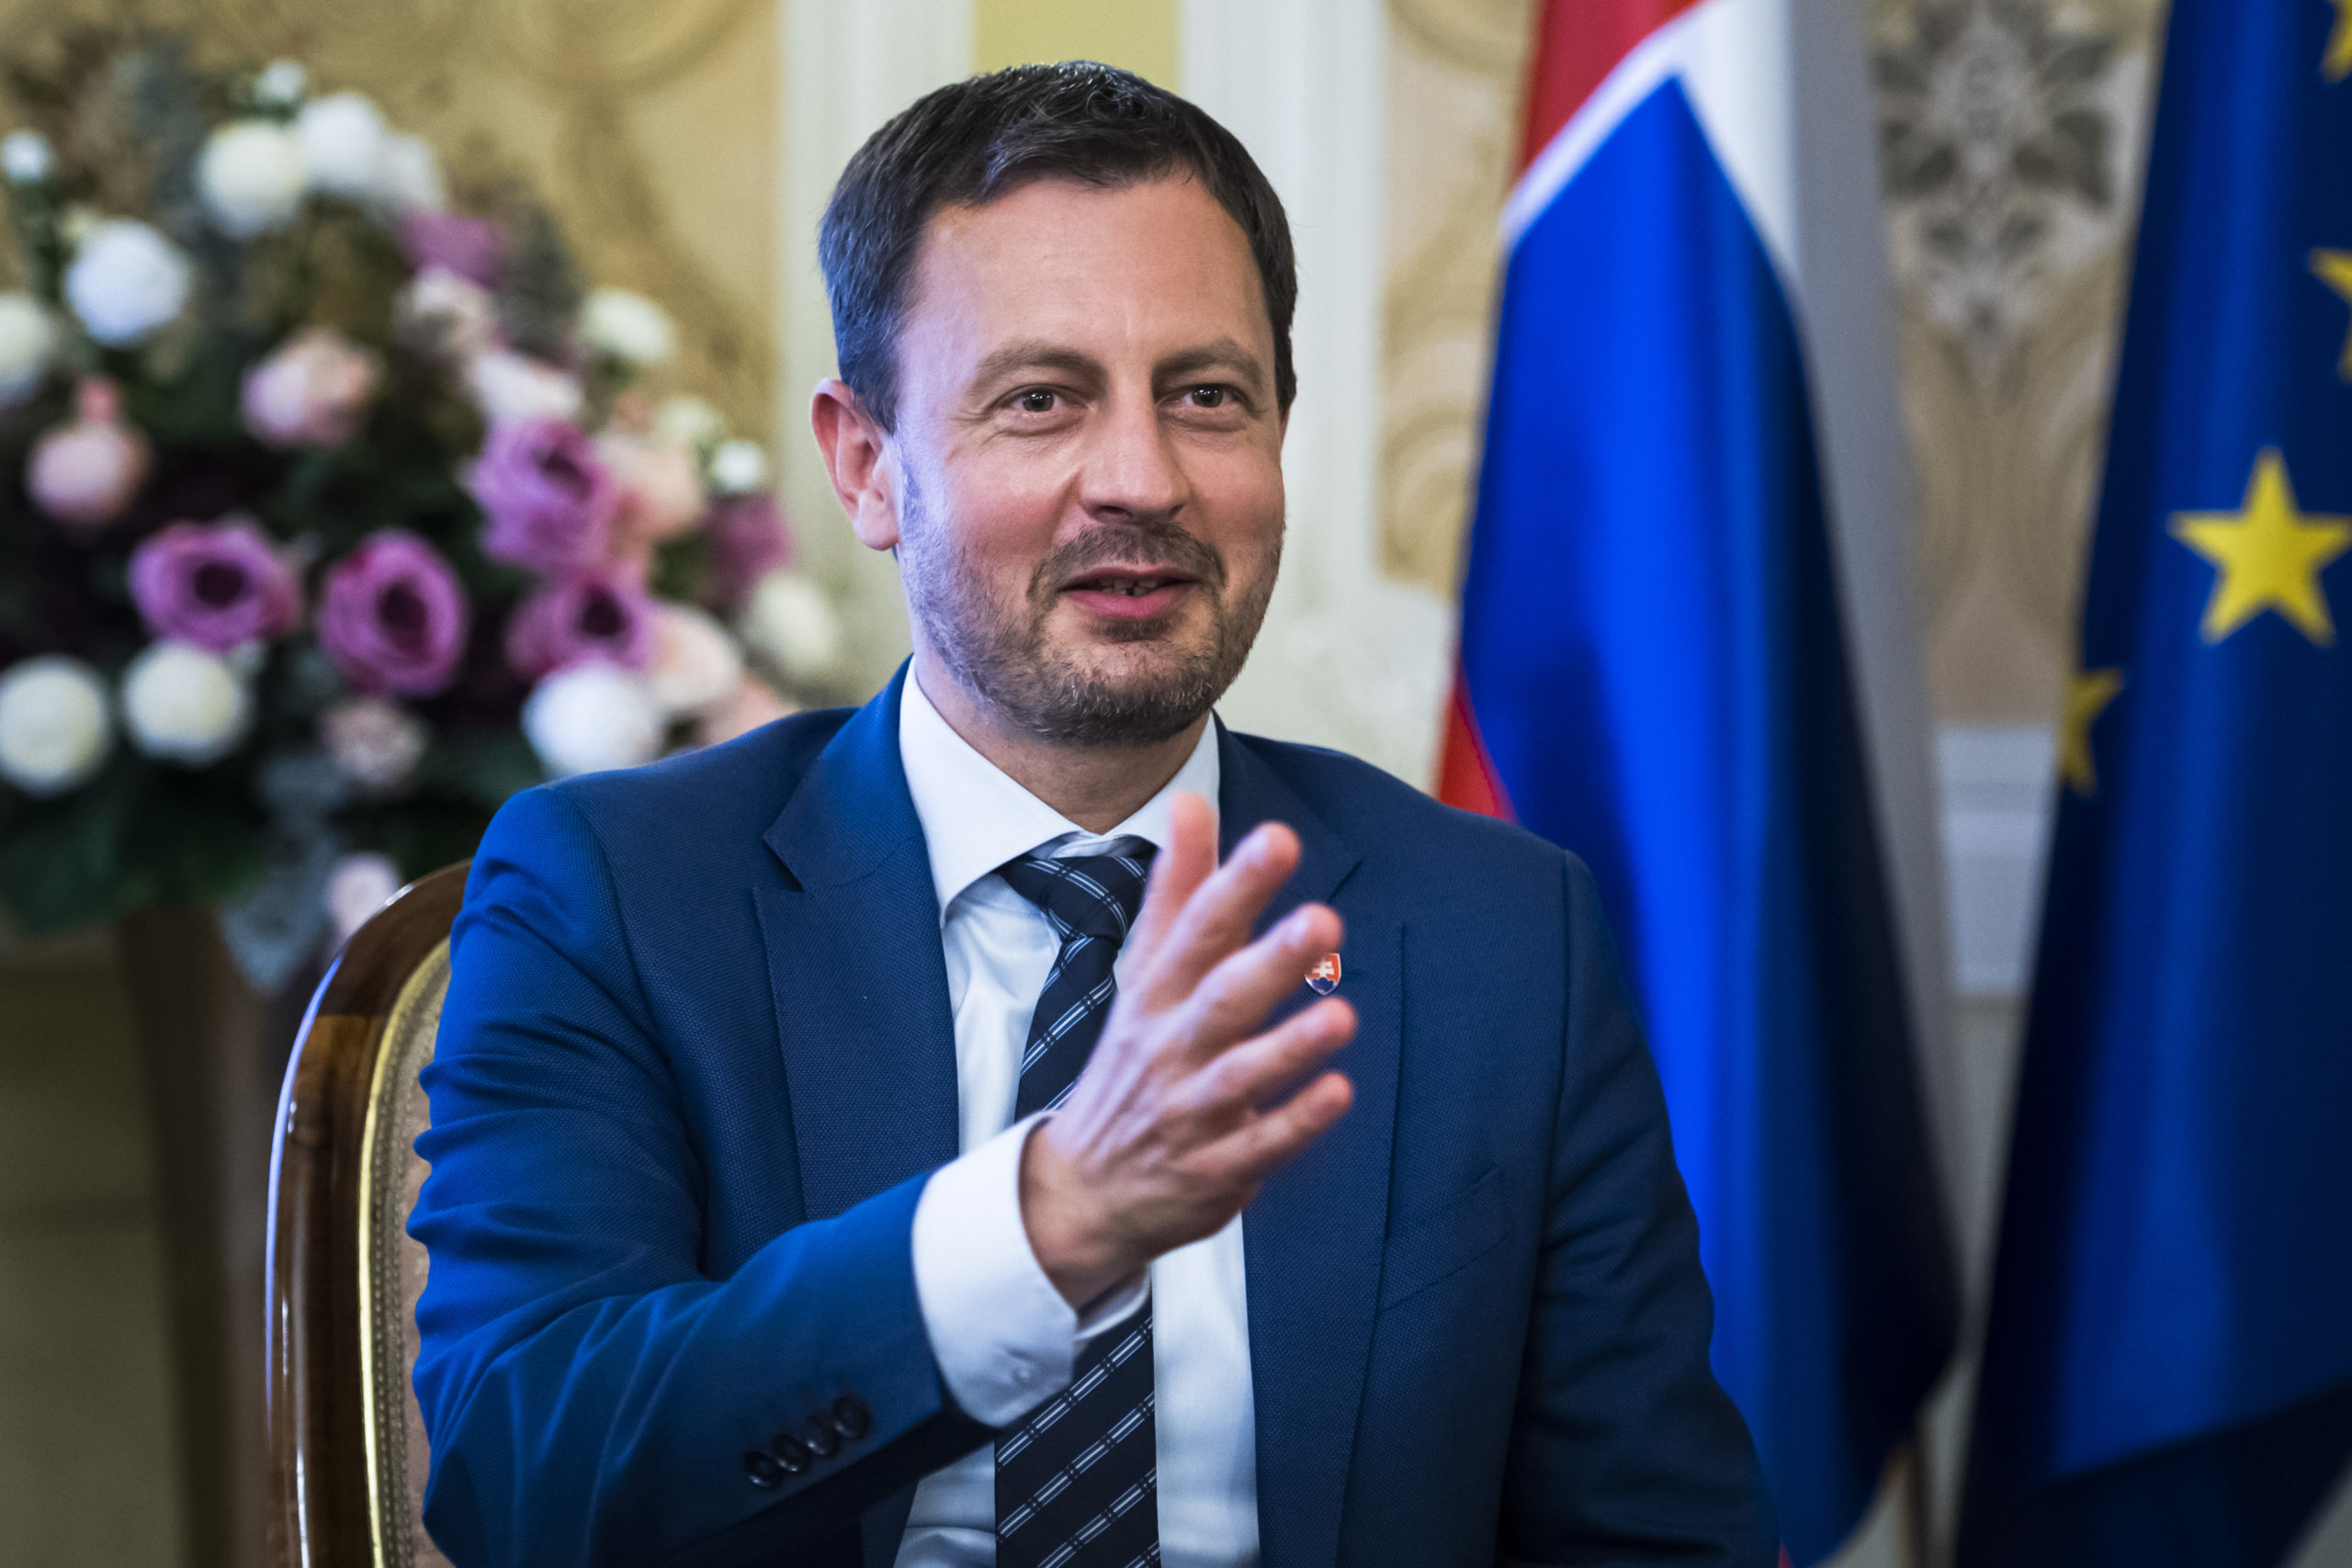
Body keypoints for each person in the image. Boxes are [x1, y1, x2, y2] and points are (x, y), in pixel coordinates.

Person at [408, 62, 1776, 1568]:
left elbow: (1654, 1539)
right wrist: (1042, 1227)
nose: (1140, 478)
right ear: (868, 466)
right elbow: (523, 1473)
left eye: (1206, 397)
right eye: (1041, 400)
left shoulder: (1498, 933)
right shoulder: (615, 894)